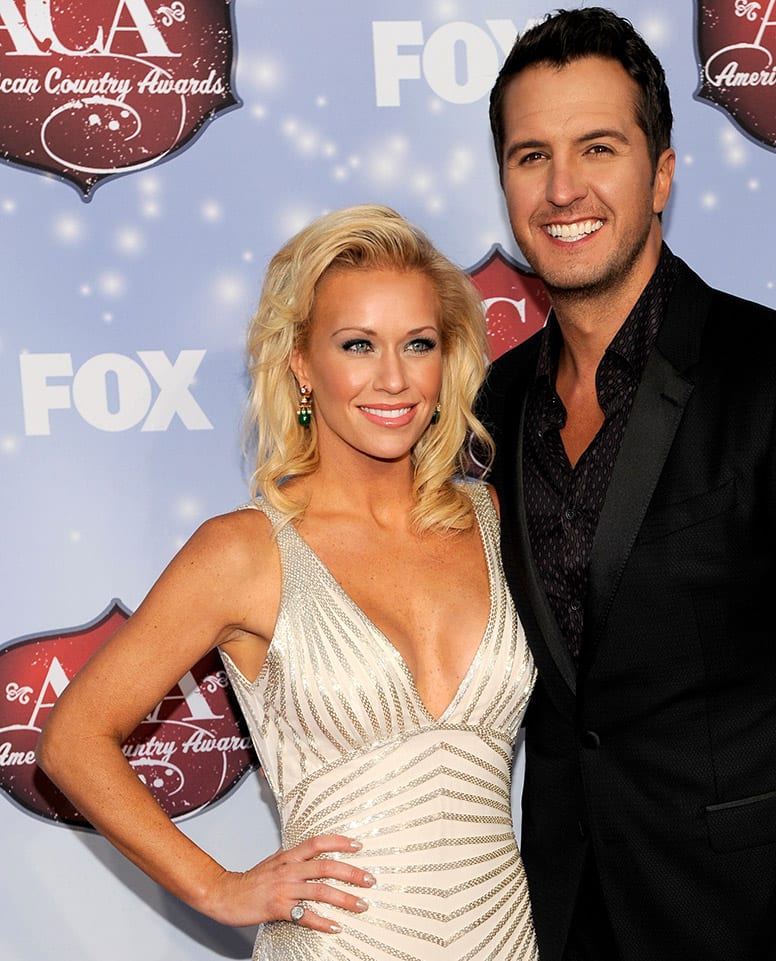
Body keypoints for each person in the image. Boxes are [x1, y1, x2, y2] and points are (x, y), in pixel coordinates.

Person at [476, 8, 776, 961]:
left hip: (762, 930)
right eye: (531, 155)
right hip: (568, 925)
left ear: (663, 172)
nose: (564, 188)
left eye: (597, 147)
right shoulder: (497, 400)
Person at [37, 205, 538, 961]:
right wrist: (216, 886)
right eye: (358, 344)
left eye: (419, 344)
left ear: (449, 357)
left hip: (502, 938)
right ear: (302, 363)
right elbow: (72, 740)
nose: (394, 377)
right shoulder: (245, 551)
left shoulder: (494, 516)